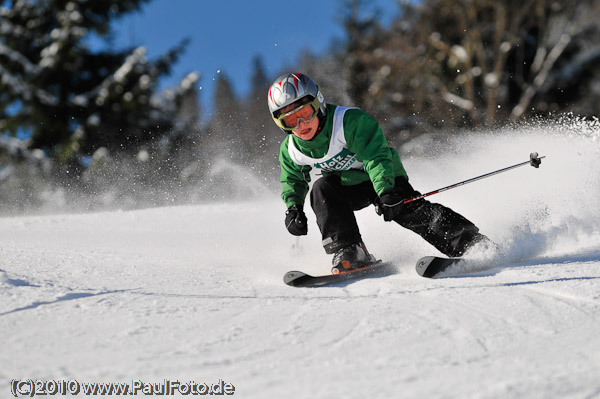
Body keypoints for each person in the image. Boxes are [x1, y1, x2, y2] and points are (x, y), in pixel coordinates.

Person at [268, 72, 490, 274]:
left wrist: (386, 191)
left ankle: (471, 243)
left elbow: (375, 157)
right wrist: (293, 209)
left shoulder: (348, 122)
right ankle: (350, 251)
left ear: (318, 104)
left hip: (385, 177)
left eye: (305, 113)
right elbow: (292, 179)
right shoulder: (291, 149)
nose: (300, 124)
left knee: (408, 210)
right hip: (347, 186)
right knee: (322, 189)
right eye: (290, 120)